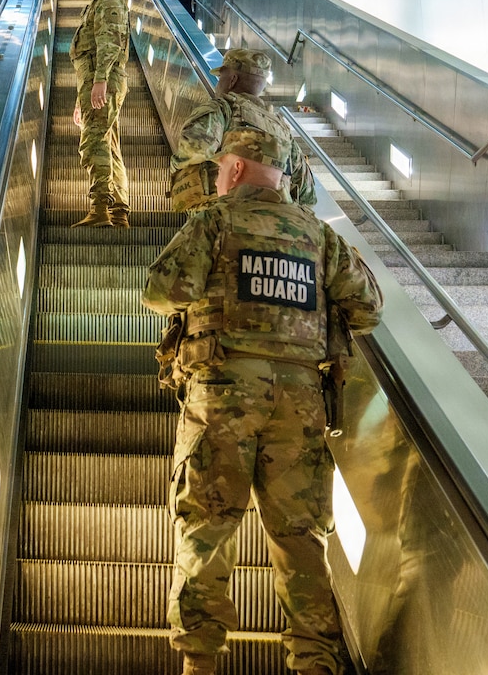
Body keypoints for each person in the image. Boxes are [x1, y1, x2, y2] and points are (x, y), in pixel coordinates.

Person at [141, 129, 383, 675]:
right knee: (300, 539)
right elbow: (367, 310)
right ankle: (315, 664)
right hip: (300, 405)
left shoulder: (214, 220)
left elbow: (161, 291)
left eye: (224, 167)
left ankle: (200, 663)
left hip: (222, 398)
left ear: (237, 171)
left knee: (206, 528)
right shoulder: (320, 235)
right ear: (283, 177)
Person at [170, 48, 316, 213]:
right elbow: (307, 194)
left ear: (232, 80)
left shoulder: (222, 108)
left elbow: (196, 147)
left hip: (219, 214)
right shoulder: (282, 128)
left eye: (220, 78)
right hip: (267, 221)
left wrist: (175, 166)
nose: (218, 83)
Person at [69, 0, 130, 227]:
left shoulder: (108, 2)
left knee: (94, 143)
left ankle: (100, 209)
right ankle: (119, 212)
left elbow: (109, 44)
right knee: (109, 145)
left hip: (103, 80)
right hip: (92, 82)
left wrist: (100, 81)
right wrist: (80, 101)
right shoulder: (95, 4)